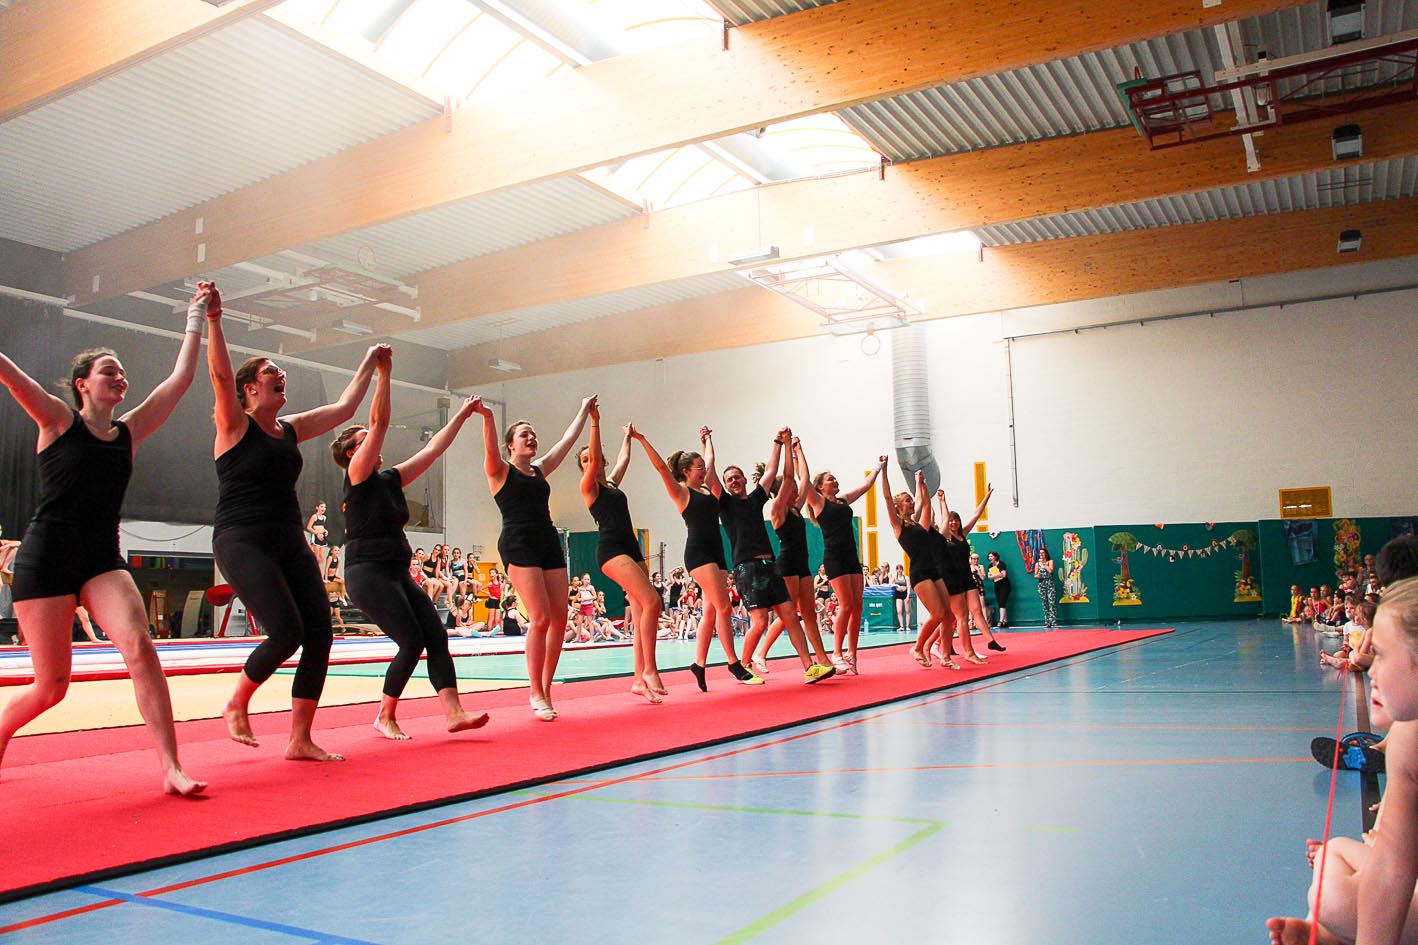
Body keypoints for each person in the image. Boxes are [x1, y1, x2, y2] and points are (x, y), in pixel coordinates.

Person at [0, 282, 215, 795]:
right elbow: (8, 373)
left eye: (122, 372)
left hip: (101, 558)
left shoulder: (129, 432)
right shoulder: (57, 420)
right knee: (51, 687)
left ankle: (171, 767)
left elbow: (180, 381)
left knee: (141, 647)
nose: (120, 378)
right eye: (109, 371)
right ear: (82, 385)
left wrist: (198, 317)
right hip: (46, 559)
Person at [207, 288, 385, 762]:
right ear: (250, 388)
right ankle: (237, 701)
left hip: (288, 539)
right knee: (286, 631)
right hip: (243, 538)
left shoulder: (289, 428)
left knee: (320, 633)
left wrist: (369, 361)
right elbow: (220, 375)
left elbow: (344, 409)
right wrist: (214, 320)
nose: (280, 375)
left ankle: (299, 739)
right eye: (271, 372)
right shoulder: (234, 424)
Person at [330, 355, 490, 740]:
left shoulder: (390, 479)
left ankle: (454, 713)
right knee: (411, 640)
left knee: (436, 635)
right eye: (363, 442)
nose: (374, 443)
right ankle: (384, 715)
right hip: (367, 574)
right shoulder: (357, 477)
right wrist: (384, 374)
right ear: (352, 453)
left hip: (396, 574)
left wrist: (461, 415)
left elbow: (433, 449)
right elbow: (379, 423)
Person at [1267, 577, 1418, 945]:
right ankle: (1326, 933)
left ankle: (1330, 930)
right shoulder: (1406, 738)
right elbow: (1390, 867)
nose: (1371, 670)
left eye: (1382, 655)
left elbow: (1392, 873)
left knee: (1333, 895)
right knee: (1336, 855)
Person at [473, 394, 595, 721]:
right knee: (540, 618)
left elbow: (566, 443)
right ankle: (535, 691)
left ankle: (547, 688)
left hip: (547, 539)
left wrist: (583, 410)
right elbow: (489, 449)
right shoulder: (500, 471)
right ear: (511, 445)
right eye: (524, 434)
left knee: (559, 618)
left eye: (533, 434)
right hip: (518, 542)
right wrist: (487, 417)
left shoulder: (539, 470)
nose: (531, 438)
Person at [631, 426, 760, 690]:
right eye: (698, 468)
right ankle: (734, 663)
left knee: (711, 610)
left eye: (703, 467)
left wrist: (707, 440)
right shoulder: (681, 492)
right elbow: (661, 468)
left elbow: (711, 460)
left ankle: (698, 664)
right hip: (699, 553)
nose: (703, 470)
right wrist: (642, 439)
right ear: (686, 471)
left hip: (716, 551)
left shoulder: (705, 489)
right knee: (724, 607)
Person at [710, 426, 835, 686]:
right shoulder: (725, 504)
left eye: (737, 477)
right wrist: (707, 442)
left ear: (745, 480)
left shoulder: (756, 499)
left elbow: (774, 472)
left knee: (790, 615)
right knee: (759, 622)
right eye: (729, 479)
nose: (734, 481)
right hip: (746, 567)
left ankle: (810, 667)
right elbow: (710, 475)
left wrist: (780, 443)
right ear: (725, 484)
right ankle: (744, 665)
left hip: (770, 565)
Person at [578, 412, 665, 703]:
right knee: (652, 601)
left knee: (642, 613)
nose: (590, 463)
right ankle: (650, 669)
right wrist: (595, 422)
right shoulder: (589, 488)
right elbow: (595, 456)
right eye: (585, 461)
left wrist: (628, 437)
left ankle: (638, 680)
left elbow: (623, 459)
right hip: (611, 551)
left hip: (632, 547)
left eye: (593, 459)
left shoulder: (612, 484)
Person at [801, 446, 885, 675]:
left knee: (858, 606)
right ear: (820, 487)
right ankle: (836, 653)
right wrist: (797, 451)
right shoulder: (819, 503)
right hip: (834, 558)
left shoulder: (843, 501)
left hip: (851, 557)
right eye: (830, 479)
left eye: (835, 478)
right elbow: (804, 480)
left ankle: (852, 654)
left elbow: (866, 486)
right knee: (846, 605)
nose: (835, 481)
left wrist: (878, 466)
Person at [752, 437, 832, 675]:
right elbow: (790, 479)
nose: (797, 490)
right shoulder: (777, 510)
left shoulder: (795, 508)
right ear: (782, 491)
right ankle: (760, 653)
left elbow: (804, 479)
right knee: (789, 614)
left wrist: (798, 451)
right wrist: (786, 447)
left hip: (802, 564)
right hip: (786, 565)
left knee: (808, 614)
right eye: (792, 488)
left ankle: (823, 659)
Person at [881, 465, 955, 669]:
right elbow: (887, 498)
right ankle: (917, 647)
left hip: (932, 570)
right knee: (938, 614)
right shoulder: (899, 525)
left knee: (949, 615)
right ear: (898, 507)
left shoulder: (917, 524)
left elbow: (924, 502)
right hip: (919, 573)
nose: (912, 502)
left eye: (911, 499)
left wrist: (920, 483)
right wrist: (884, 472)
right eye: (907, 500)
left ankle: (945, 657)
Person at [1035, 545, 1059, 629]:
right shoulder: (1037, 564)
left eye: (1042, 553)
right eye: (1040, 553)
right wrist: (1038, 576)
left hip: (1050, 583)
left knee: (1051, 602)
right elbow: (1035, 575)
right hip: (1042, 584)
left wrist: (1044, 564)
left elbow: (1050, 570)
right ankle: (1047, 622)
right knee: (1045, 603)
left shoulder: (1050, 561)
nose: (1041, 554)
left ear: (1046, 554)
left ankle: (1054, 621)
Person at [987, 550, 1012, 628]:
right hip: (997, 585)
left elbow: (1003, 575)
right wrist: (998, 575)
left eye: (991, 556)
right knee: (1000, 603)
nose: (990, 558)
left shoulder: (1001, 564)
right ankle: (1005, 621)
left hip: (1005, 586)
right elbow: (989, 577)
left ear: (995, 557)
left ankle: (1001, 621)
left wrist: (994, 575)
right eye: (989, 556)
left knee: (1002, 602)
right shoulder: (990, 566)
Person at [306, 501, 330, 573]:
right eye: (322, 507)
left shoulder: (324, 517)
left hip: (322, 538)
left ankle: (320, 574)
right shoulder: (314, 516)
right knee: (317, 558)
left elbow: (322, 527)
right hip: (316, 537)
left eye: (325, 507)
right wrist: (317, 533)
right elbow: (308, 527)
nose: (323, 508)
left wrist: (325, 531)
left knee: (321, 558)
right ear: (317, 508)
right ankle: (314, 573)